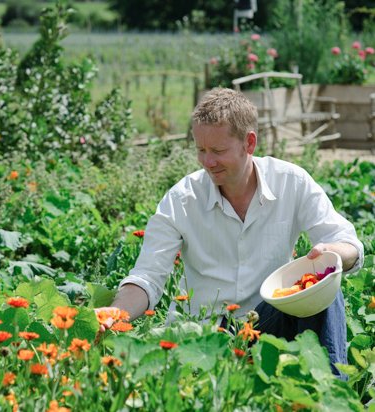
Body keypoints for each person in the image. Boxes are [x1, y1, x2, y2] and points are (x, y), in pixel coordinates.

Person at [97, 87, 364, 377]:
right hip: (203, 337)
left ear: (249, 143)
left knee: (322, 286)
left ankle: (331, 393)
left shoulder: (292, 182)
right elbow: (147, 277)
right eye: (201, 150)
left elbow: (349, 245)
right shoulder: (182, 199)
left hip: (264, 325)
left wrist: (334, 253)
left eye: (218, 151)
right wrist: (115, 312)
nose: (207, 162)